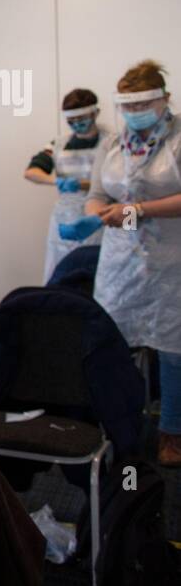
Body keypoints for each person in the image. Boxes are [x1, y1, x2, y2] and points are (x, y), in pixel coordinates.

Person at [85, 60, 181, 467]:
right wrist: (101, 212)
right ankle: (119, 422)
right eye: (128, 104)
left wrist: (140, 210)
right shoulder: (114, 144)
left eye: (144, 103)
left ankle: (172, 432)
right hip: (119, 262)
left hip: (171, 263)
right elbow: (96, 193)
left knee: (173, 349)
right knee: (113, 342)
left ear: (164, 99)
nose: (135, 111)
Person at [24, 89, 107, 280]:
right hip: (65, 220)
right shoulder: (58, 144)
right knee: (60, 277)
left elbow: (115, 184)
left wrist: (82, 185)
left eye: (82, 118)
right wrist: (57, 181)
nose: (77, 124)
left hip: (99, 219)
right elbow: (31, 172)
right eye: (72, 120)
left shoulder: (112, 142)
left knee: (98, 278)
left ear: (95, 113)